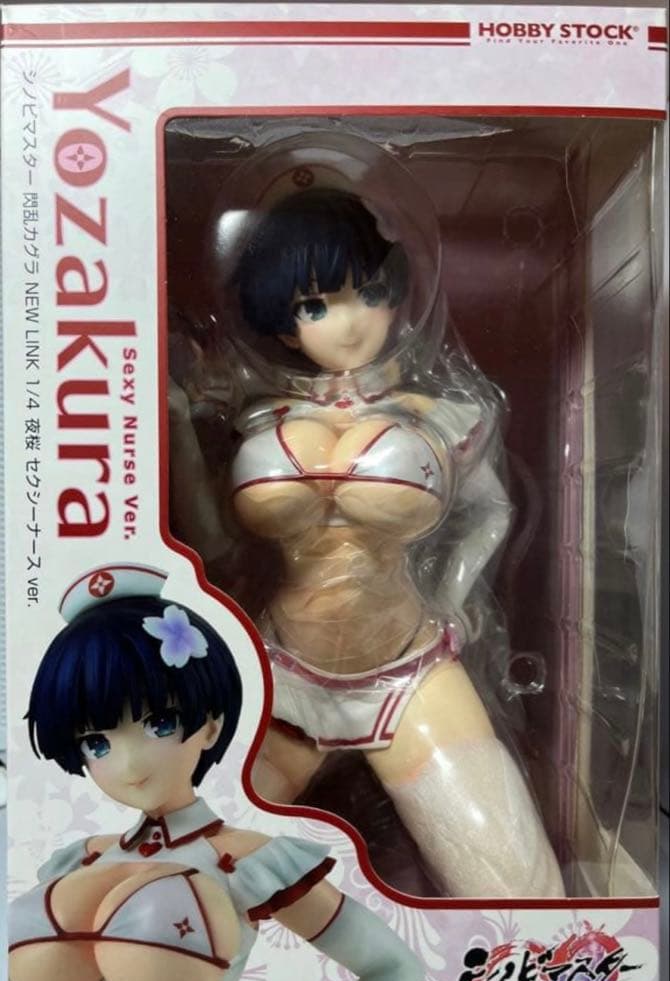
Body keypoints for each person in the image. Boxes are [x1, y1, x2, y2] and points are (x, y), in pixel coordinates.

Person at [168, 182, 565, 899]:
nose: (349, 323)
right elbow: (217, 543)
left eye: (369, 293)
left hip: (408, 672)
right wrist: (178, 432)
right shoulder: (253, 420)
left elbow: (492, 510)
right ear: (284, 324)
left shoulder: (447, 416)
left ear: (397, 296)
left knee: (518, 895)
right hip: (282, 675)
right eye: (315, 306)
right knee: (178, 882)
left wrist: (454, 595)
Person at [8, 564, 424, 981]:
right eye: (97, 742)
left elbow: (393, 968)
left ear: (209, 725)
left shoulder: (242, 860)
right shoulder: (82, 860)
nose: (129, 765)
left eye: (159, 723)